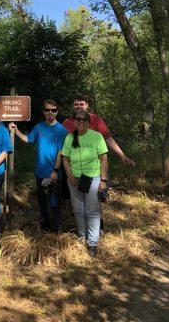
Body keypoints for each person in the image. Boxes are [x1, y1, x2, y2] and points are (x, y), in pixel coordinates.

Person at [9, 99, 67, 232]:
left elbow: (61, 152)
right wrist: (16, 130)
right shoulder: (39, 127)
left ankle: (56, 231)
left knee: (54, 203)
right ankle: (44, 228)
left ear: (57, 112)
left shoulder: (61, 130)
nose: (50, 113)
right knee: (42, 202)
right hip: (40, 172)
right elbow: (28, 139)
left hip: (54, 174)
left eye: (53, 110)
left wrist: (55, 171)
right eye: (47, 110)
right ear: (43, 112)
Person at [61, 110, 109, 257]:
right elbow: (65, 159)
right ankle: (82, 237)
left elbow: (104, 159)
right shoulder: (70, 137)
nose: (81, 122)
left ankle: (93, 243)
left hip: (93, 178)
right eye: (78, 119)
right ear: (74, 121)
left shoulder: (96, 137)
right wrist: (70, 177)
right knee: (78, 210)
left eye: (84, 120)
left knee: (92, 211)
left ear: (88, 122)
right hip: (74, 179)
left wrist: (103, 181)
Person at [63, 94, 134, 166]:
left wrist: (122, 155)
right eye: (76, 104)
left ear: (87, 105)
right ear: (73, 106)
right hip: (73, 166)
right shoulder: (67, 122)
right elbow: (61, 144)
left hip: (93, 167)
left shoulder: (96, 119)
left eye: (81, 104)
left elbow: (108, 138)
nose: (79, 107)